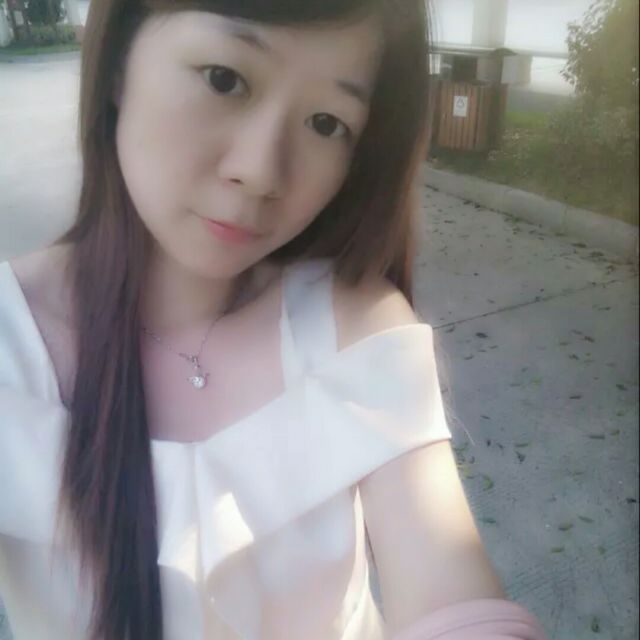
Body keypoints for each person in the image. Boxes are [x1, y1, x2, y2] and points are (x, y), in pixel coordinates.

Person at [0, 1, 549, 639]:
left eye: (326, 122)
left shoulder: (354, 323)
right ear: (121, 59)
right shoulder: (12, 343)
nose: (261, 171)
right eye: (224, 79)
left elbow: (449, 593)